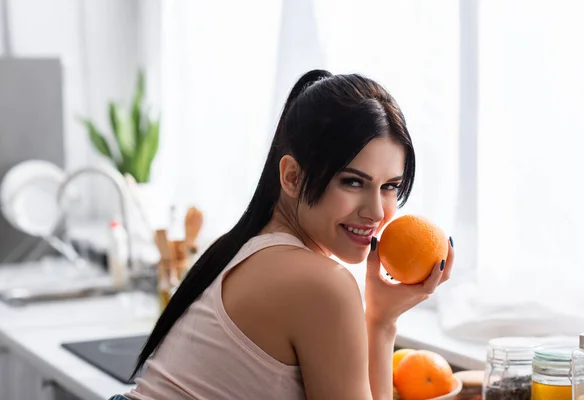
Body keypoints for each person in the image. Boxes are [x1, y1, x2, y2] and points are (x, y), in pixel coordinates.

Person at [111, 69, 454, 400]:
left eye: (390, 187)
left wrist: (381, 320)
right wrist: (380, 323)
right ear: (291, 176)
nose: (377, 212)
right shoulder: (323, 284)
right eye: (352, 182)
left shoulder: (239, 246)